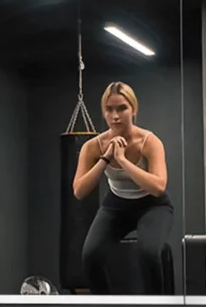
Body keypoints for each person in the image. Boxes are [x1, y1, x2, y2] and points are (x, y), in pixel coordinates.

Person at [72, 82, 173, 294]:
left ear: (133, 110)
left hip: (152, 206)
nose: (115, 116)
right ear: (103, 112)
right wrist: (106, 159)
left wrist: (123, 160)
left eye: (122, 108)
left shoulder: (149, 141)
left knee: (148, 252)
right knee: (91, 254)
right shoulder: (94, 146)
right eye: (109, 110)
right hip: (116, 205)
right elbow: (79, 191)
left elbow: (158, 187)